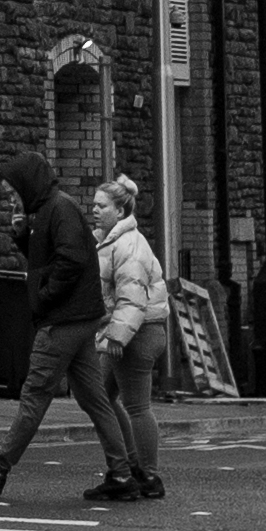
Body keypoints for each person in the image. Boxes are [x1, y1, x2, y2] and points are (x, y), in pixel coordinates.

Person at [0, 153, 104, 500]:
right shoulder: (47, 211)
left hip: (62, 322)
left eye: (12, 193)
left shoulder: (60, 208)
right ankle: (127, 470)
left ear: (26, 185)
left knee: (34, 396)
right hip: (75, 319)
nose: (10, 199)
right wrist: (22, 235)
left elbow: (69, 260)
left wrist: (45, 296)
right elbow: (49, 257)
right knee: (97, 402)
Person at [89, 174, 173, 504]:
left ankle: (147, 475)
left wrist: (119, 337)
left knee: (137, 406)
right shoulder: (110, 241)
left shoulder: (129, 245)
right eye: (93, 204)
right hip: (124, 332)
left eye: (101, 205)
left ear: (120, 210)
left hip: (137, 334)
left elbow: (131, 297)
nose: (94, 210)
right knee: (102, 398)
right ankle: (128, 469)